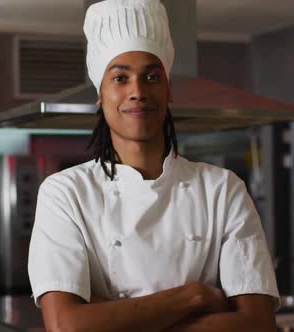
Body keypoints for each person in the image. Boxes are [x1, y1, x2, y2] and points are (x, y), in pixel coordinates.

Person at [28, 0, 279, 331]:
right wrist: (194, 297)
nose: (137, 91)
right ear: (100, 95)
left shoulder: (221, 188)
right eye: (120, 77)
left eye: (151, 76)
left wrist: (110, 318)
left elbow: (257, 323)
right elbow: (66, 326)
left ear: (168, 89)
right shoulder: (65, 193)